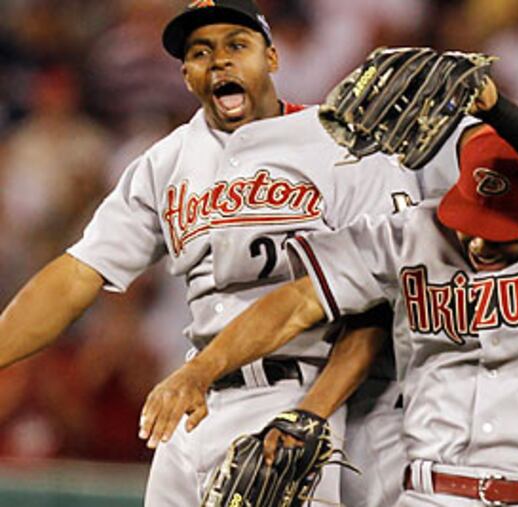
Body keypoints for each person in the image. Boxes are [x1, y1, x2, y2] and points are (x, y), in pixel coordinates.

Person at [0, 1, 448, 505]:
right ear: (186, 73)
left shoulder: (343, 149)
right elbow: (76, 275)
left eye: (237, 45)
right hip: (190, 401)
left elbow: (379, 312)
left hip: (303, 396)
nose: (219, 61)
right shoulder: (165, 161)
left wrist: (308, 419)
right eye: (200, 51)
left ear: (272, 58)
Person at [140, 80, 518, 506]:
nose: (479, 239)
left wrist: (495, 108)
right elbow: (296, 304)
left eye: (502, 229)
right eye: (471, 222)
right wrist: (199, 372)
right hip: (426, 491)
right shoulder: (410, 234)